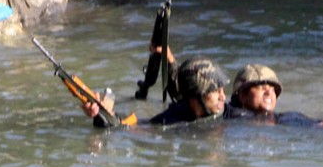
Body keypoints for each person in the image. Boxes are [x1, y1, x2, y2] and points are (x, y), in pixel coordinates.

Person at [83, 51, 229, 127]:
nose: (223, 97)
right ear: (195, 96)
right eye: (216, 91)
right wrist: (102, 115)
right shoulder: (171, 119)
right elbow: (129, 128)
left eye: (222, 90)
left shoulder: (230, 113)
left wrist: (170, 60)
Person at [224, 63, 319, 126]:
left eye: (273, 90)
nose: (269, 93)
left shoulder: (279, 117)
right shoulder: (235, 116)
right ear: (242, 95)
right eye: (263, 88)